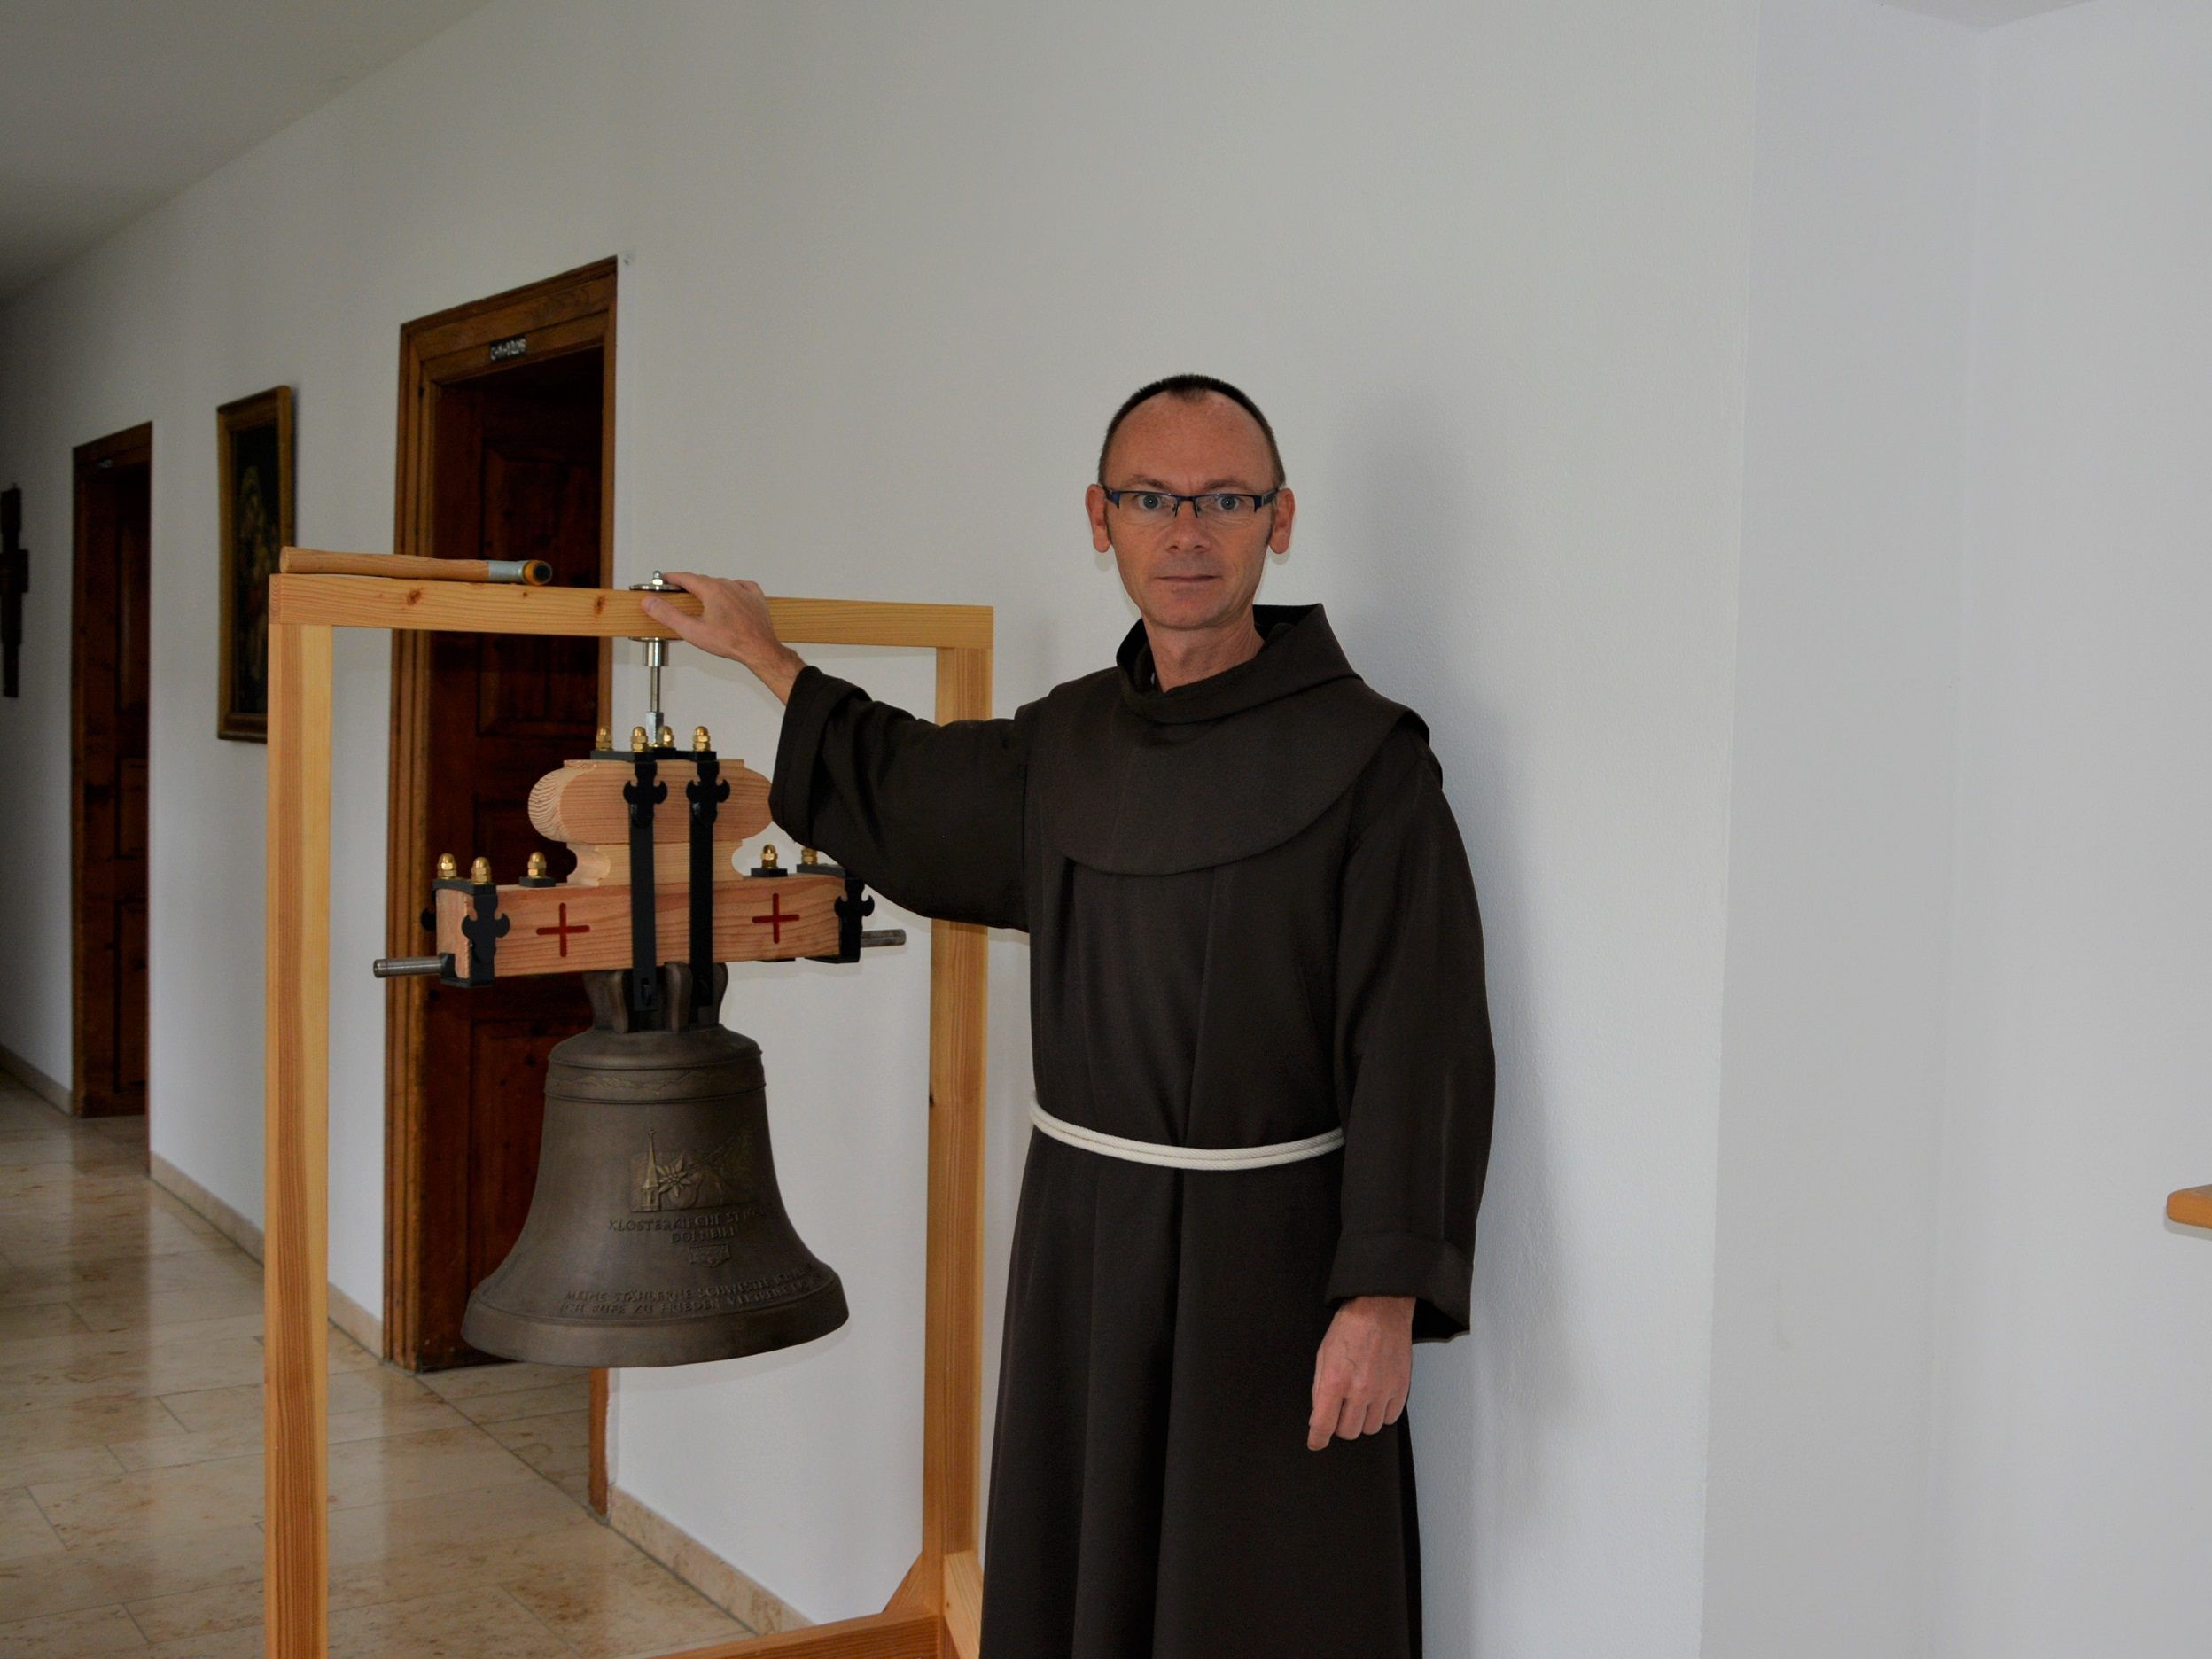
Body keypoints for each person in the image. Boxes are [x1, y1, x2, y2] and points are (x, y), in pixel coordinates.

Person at [643, 375, 1494, 1658]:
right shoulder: (1067, 748)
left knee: (1265, 1595)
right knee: (1084, 1578)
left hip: (1273, 1269)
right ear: (1101, 521)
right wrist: (769, 658)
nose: (1188, 532)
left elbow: (1419, 1040)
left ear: (1281, 519)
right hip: (1087, 1251)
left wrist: (1381, 1299)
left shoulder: (1368, 761)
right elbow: (913, 789)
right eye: (1154, 499)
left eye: (1224, 500)